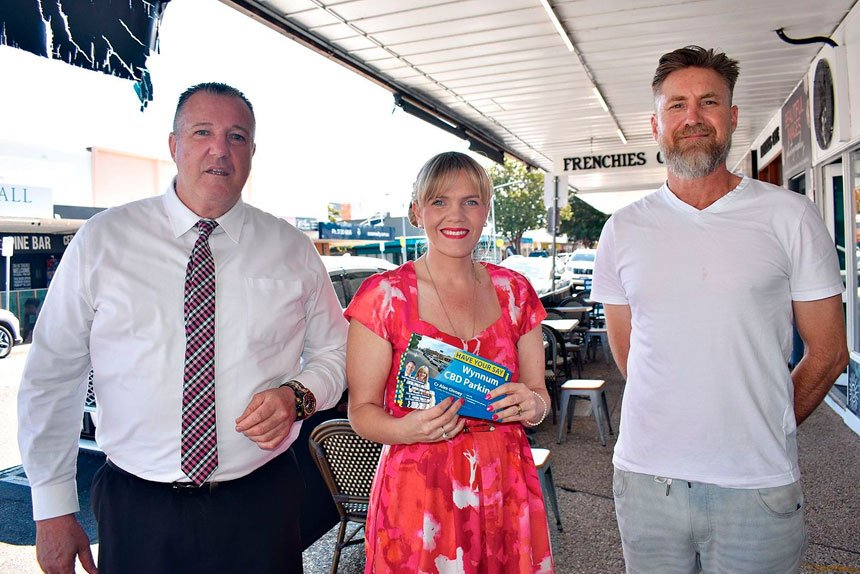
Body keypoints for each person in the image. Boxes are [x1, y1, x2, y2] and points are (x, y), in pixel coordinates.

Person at [17, 82, 348, 574]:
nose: (220, 148)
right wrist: (51, 509)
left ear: (252, 152)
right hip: (137, 508)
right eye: (202, 132)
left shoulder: (292, 249)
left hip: (260, 502)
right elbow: (52, 375)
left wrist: (297, 397)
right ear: (174, 145)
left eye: (237, 136)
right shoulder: (104, 240)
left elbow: (337, 353)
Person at [591, 46, 849, 573]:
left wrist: (767, 423)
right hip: (646, 483)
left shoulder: (790, 216)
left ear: (731, 118)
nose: (692, 117)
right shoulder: (622, 229)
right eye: (677, 104)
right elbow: (630, 355)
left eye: (709, 102)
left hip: (756, 486)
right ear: (656, 122)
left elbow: (828, 354)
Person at [345, 151, 554, 573]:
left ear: (485, 210)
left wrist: (534, 407)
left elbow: (539, 396)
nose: (455, 215)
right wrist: (404, 428)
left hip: (504, 481)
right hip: (420, 487)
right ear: (416, 211)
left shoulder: (515, 291)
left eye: (470, 201)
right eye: (439, 201)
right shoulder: (382, 296)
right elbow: (361, 412)